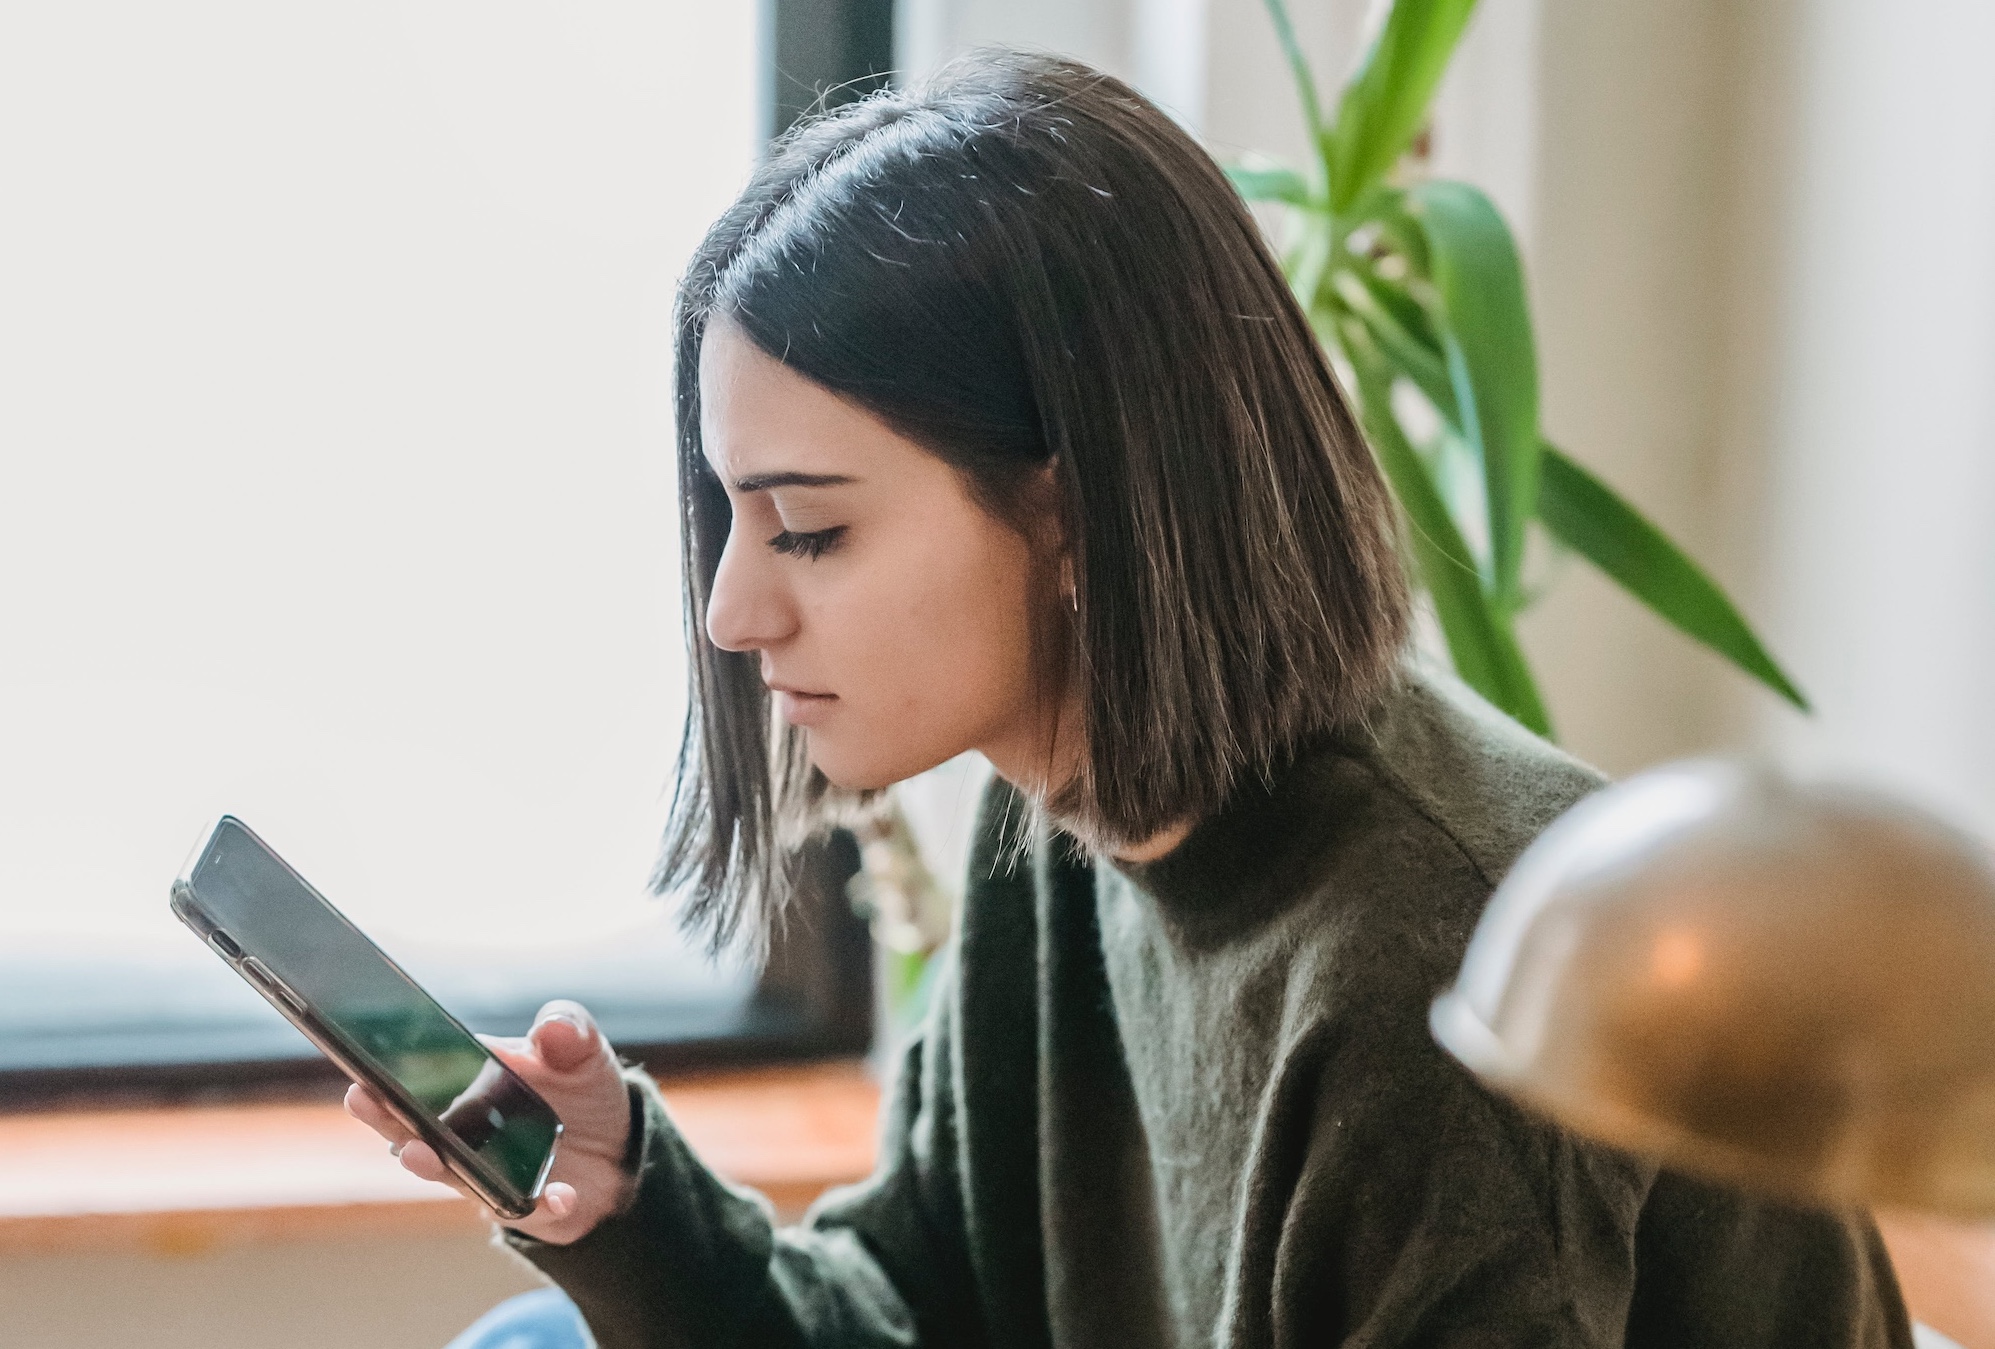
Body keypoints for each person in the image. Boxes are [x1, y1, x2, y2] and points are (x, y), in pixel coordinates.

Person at [350, 50, 1915, 1349]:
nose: (732, 609)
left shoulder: (1430, 966)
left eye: (811, 527)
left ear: (1077, 511)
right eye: (734, 516)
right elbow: (917, 1309)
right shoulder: (1067, 823)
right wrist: (625, 1193)